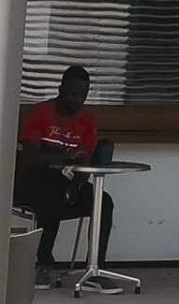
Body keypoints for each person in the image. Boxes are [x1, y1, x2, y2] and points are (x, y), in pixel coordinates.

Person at [16, 65, 112, 288]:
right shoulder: (40, 113)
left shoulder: (87, 120)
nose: (77, 100)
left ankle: (95, 267)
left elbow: (85, 160)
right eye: (73, 94)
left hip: (69, 182)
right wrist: (65, 156)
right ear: (61, 90)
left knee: (103, 202)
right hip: (31, 182)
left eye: (83, 95)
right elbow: (30, 158)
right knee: (52, 193)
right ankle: (43, 264)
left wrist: (76, 187)